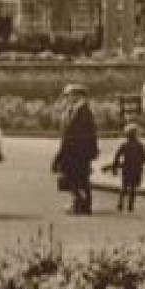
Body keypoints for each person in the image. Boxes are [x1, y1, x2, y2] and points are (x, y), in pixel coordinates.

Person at [53, 83, 99, 215]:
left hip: (78, 151)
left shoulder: (83, 112)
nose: (67, 98)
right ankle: (79, 203)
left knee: (79, 179)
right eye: (67, 95)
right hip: (72, 150)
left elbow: (82, 134)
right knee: (75, 178)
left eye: (69, 95)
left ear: (78, 96)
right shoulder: (72, 110)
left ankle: (83, 204)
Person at [109, 123, 145, 211]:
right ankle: (130, 205)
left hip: (126, 167)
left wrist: (114, 167)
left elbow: (117, 156)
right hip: (136, 168)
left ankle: (120, 203)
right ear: (136, 134)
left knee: (124, 186)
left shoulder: (124, 145)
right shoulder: (140, 145)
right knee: (133, 188)